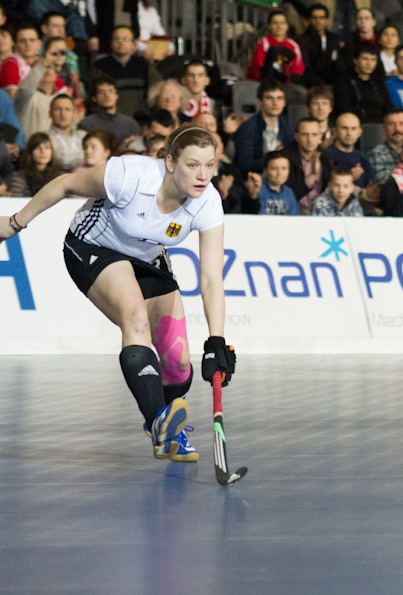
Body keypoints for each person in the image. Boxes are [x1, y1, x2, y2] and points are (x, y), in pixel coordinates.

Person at [0, 125, 236, 463]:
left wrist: (216, 340)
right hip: (93, 246)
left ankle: (166, 425)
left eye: (210, 165)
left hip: (147, 258)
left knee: (179, 362)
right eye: (193, 165)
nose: (203, 175)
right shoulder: (130, 175)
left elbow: (212, 277)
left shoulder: (208, 201)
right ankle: (157, 419)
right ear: (170, 163)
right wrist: (15, 223)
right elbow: (65, 184)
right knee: (135, 317)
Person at [90, 26, 154, 117]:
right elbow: (93, 94)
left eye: (126, 39)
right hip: (108, 117)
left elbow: (157, 89)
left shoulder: (144, 65)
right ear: (111, 44)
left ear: (133, 45)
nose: (121, 42)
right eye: (118, 39)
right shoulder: (100, 66)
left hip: (141, 118)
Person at [233, 80, 293, 175]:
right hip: (253, 180)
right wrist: (272, 159)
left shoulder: (286, 125)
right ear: (260, 101)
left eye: (279, 98)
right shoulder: (248, 128)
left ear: (284, 102)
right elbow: (244, 165)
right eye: (270, 98)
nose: (275, 103)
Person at [78, 75, 144, 148]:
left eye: (111, 91)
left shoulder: (131, 124)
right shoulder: (87, 124)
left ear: (116, 95)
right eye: (102, 92)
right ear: (94, 98)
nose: (107, 95)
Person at [284, 117, 334, 209]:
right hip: (295, 209)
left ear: (320, 137)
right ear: (297, 137)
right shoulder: (285, 158)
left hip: (323, 209)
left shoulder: (326, 158)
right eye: (305, 135)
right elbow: (287, 195)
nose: (310, 140)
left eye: (314, 135)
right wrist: (312, 176)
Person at [246, 11, 306, 84]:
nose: (279, 26)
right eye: (275, 23)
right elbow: (258, 69)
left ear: (287, 26)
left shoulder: (293, 45)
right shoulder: (263, 44)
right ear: (269, 26)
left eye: (282, 23)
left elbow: (298, 69)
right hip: (263, 83)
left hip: (287, 84)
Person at [335, 44, 389, 125]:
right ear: (355, 60)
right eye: (365, 59)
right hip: (354, 125)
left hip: (380, 126)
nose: (369, 63)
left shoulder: (378, 81)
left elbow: (388, 105)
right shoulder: (344, 81)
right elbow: (345, 109)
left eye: (373, 60)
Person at [297, 3, 343, 87]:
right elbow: (306, 67)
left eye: (321, 18)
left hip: (332, 81)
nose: (318, 21)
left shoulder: (334, 39)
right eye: (314, 18)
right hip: (311, 83)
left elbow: (338, 64)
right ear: (309, 20)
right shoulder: (302, 40)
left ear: (327, 20)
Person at [245, 150, 300, 215]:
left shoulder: (289, 192)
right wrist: (253, 195)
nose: (279, 173)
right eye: (274, 168)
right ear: (265, 171)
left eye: (284, 168)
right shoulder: (258, 189)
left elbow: (295, 219)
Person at [325, 112, 372, 188]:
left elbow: (369, 188)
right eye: (344, 128)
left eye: (353, 129)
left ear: (359, 132)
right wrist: (348, 178)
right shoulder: (325, 156)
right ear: (335, 131)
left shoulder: (363, 159)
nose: (349, 133)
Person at [7, 132, 60, 197]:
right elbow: (16, 203)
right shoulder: (18, 177)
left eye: (47, 147)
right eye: (38, 148)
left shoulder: (60, 177)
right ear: (30, 152)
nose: (43, 151)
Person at [368, 108, 403, 182]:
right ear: (384, 129)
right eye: (391, 124)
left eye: (401, 124)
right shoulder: (377, 154)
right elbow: (383, 183)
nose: (397, 129)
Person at [47, 94, 87, 172]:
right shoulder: (45, 138)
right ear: (50, 113)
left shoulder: (83, 135)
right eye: (58, 109)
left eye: (67, 109)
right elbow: (63, 161)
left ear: (74, 113)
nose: (63, 114)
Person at [1, 26, 42, 98]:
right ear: (15, 44)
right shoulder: (10, 63)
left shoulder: (42, 63)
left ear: (39, 44)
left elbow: (63, 92)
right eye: (23, 41)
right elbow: (14, 98)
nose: (28, 44)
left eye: (32, 40)